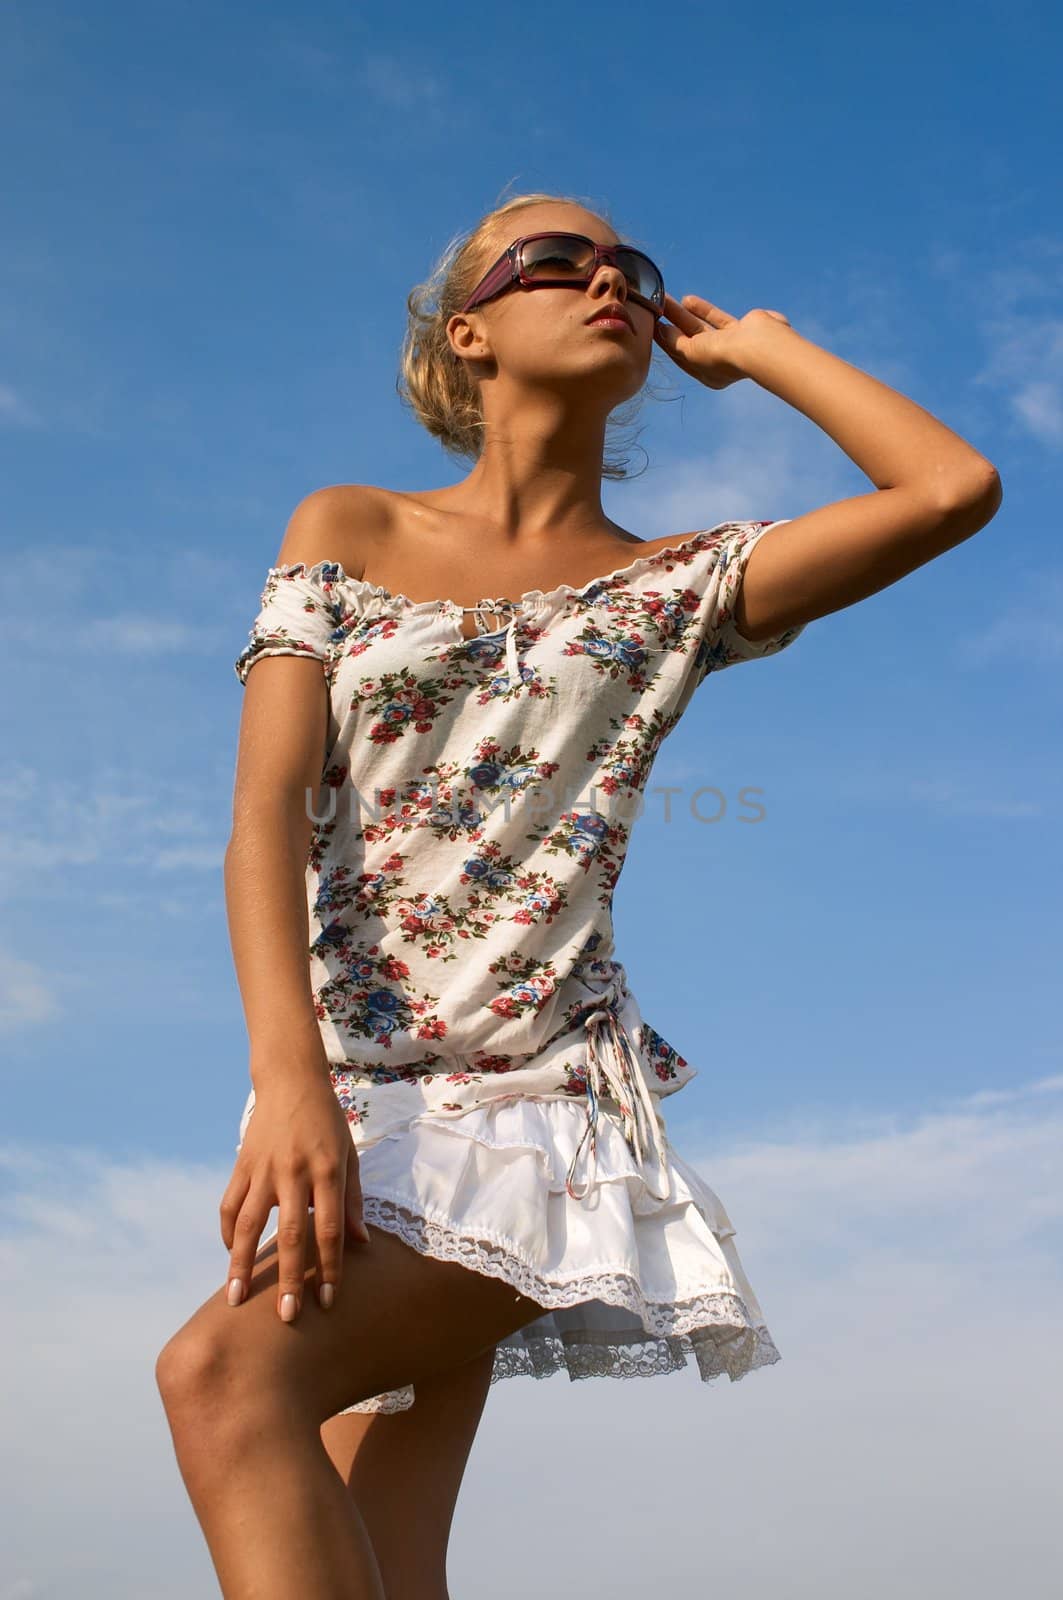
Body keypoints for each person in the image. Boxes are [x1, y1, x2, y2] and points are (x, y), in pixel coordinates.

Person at [155, 189, 1001, 1599]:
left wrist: (768, 352)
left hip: (527, 1117)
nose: (607, 279)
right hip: (342, 1098)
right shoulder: (345, 524)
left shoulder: (676, 583)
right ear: (466, 332)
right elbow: (263, 819)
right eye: (559, 260)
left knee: (219, 1386)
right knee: (385, 1543)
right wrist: (289, 1075)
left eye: (633, 267)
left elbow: (948, 490)